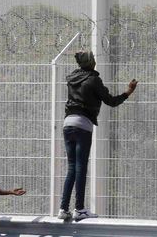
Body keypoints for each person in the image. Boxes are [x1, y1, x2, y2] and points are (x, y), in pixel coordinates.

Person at [58, 50, 137, 221]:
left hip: (67, 123)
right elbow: (111, 101)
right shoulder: (93, 80)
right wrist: (128, 92)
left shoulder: (72, 78)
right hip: (82, 125)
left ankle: (63, 208)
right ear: (91, 62)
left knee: (71, 167)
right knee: (81, 167)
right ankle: (79, 209)